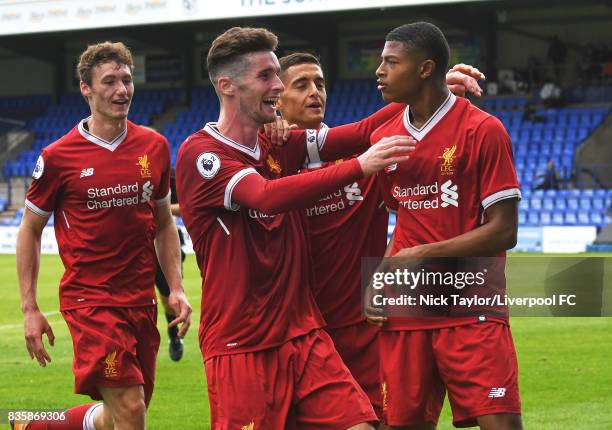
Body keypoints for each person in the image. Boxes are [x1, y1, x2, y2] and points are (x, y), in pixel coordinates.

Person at [175, 26, 416, 429]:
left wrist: (434, 87)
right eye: (266, 76)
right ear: (227, 85)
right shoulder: (202, 154)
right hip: (242, 343)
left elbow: (359, 133)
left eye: (277, 74)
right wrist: (361, 164)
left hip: (303, 333)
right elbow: (266, 196)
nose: (277, 84)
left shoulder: (278, 144)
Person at [307, 22, 524, 429]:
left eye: (391, 62)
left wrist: (422, 255)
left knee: (502, 425)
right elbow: (408, 221)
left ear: (425, 69)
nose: (379, 71)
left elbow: (504, 230)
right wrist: (377, 281)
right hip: (407, 303)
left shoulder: (483, 129)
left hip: (470, 302)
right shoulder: (385, 135)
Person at [275, 52, 485, 423]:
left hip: (367, 326)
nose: (315, 93)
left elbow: (410, 211)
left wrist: (436, 86)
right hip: (300, 332)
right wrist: (267, 129)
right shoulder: (268, 161)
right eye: (301, 85)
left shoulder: (367, 150)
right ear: (277, 98)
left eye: (320, 84)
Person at [15, 41, 192, 430]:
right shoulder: (59, 157)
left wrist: (175, 287)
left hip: (140, 300)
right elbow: (29, 231)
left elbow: (163, 223)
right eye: (109, 81)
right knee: (131, 408)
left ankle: (33, 425)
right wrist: (30, 308)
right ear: (86, 88)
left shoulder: (155, 146)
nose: (121, 90)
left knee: (123, 411)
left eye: (126, 80)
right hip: (91, 301)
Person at [153, 168, 187, 361]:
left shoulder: (170, 175)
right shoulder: (121, 172)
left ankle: (174, 337)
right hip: (135, 245)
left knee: (167, 300)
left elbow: (185, 207)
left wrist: (160, 207)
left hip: (165, 245)